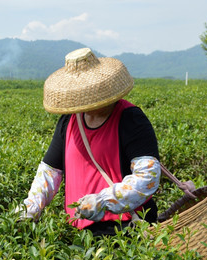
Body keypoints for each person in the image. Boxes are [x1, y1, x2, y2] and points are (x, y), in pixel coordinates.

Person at [16, 48, 161, 237]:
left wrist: (103, 201)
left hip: (126, 231)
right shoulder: (68, 121)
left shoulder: (130, 119)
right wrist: (30, 208)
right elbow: (50, 172)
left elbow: (147, 177)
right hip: (79, 232)